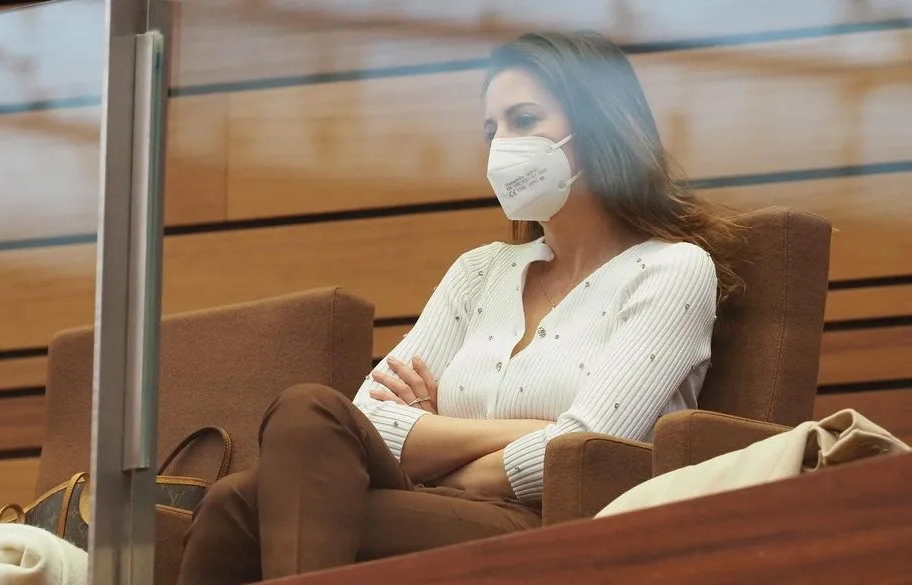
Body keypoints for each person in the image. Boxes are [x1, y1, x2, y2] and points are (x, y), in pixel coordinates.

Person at [176, 30, 742, 584]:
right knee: (308, 413)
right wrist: (521, 430)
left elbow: (581, 448)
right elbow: (370, 416)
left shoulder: (672, 271)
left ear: (598, 122)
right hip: (435, 506)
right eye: (492, 129)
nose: (502, 146)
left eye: (523, 121)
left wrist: (439, 440)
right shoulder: (480, 272)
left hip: (554, 526)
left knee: (246, 502)